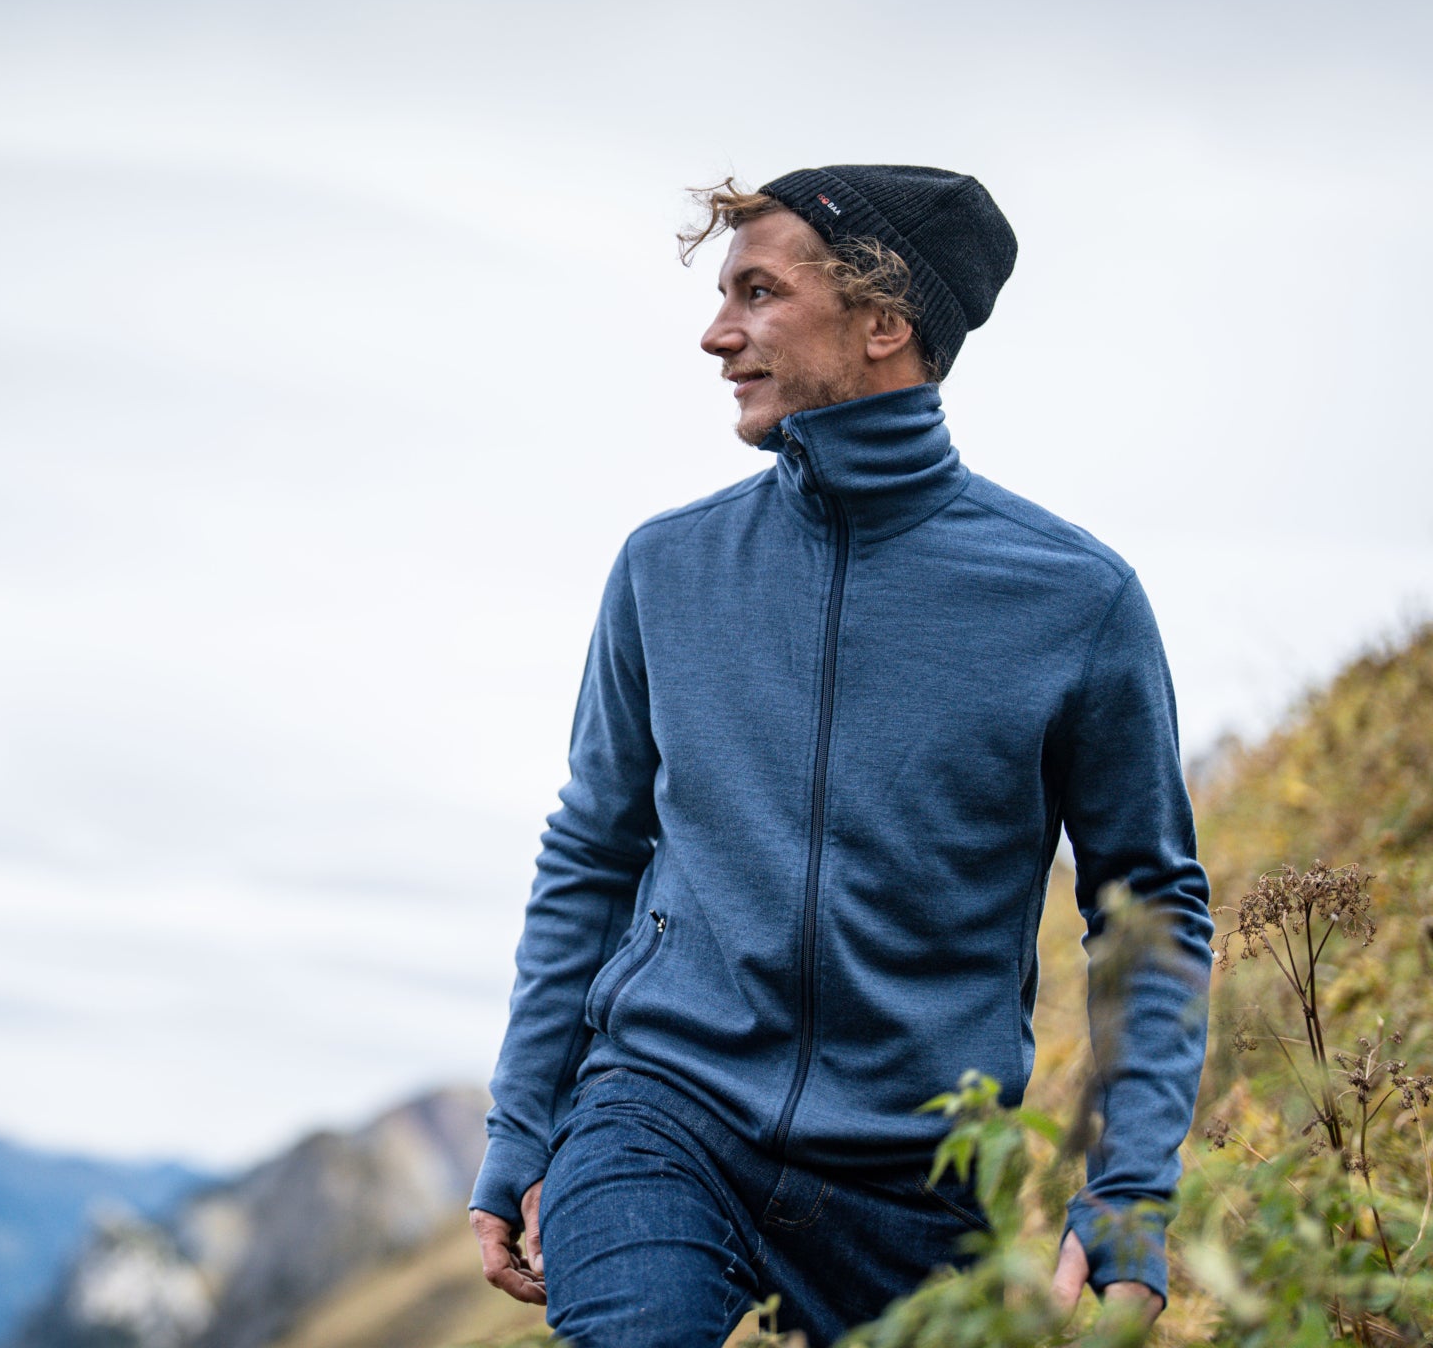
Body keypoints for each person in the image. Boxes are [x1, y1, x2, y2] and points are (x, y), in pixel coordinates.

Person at [466, 166, 1212, 1346]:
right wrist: (523, 1122)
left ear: (883, 321)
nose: (717, 336)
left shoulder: (1075, 600)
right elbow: (593, 852)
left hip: (918, 1185)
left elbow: (1149, 907)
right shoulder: (668, 569)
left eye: (758, 293)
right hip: (660, 1112)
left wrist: (1127, 1189)